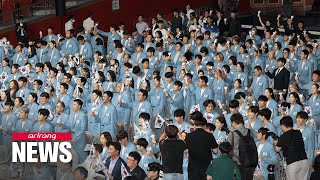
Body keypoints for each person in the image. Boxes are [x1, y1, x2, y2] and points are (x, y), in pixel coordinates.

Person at [274, 116, 309, 180]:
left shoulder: (283, 136)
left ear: (283, 126)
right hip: (304, 161)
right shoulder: (298, 133)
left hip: (293, 163)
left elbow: (277, 149)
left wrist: (276, 143)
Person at [185, 111, 218, 179]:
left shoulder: (188, 136)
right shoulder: (209, 136)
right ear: (205, 126)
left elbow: (186, 151)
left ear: (194, 125)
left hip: (193, 167)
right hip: (206, 167)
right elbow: (216, 151)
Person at [227, 113, 256, 180]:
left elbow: (227, 148)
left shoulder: (232, 134)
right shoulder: (250, 131)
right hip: (250, 161)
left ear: (234, 122)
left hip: (237, 162)